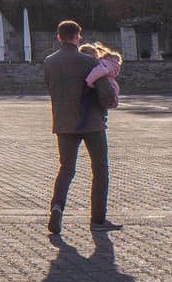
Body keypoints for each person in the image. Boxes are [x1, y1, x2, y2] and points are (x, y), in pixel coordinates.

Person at [44, 20, 119, 235]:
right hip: (91, 122)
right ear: (78, 37)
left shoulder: (49, 62)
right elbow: (105, 92)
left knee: (66, 169)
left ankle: (57, 207)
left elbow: (50, 87)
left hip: (63, 123)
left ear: (59, 37)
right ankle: (98, 219)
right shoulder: (88, 61)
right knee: (100, 170)